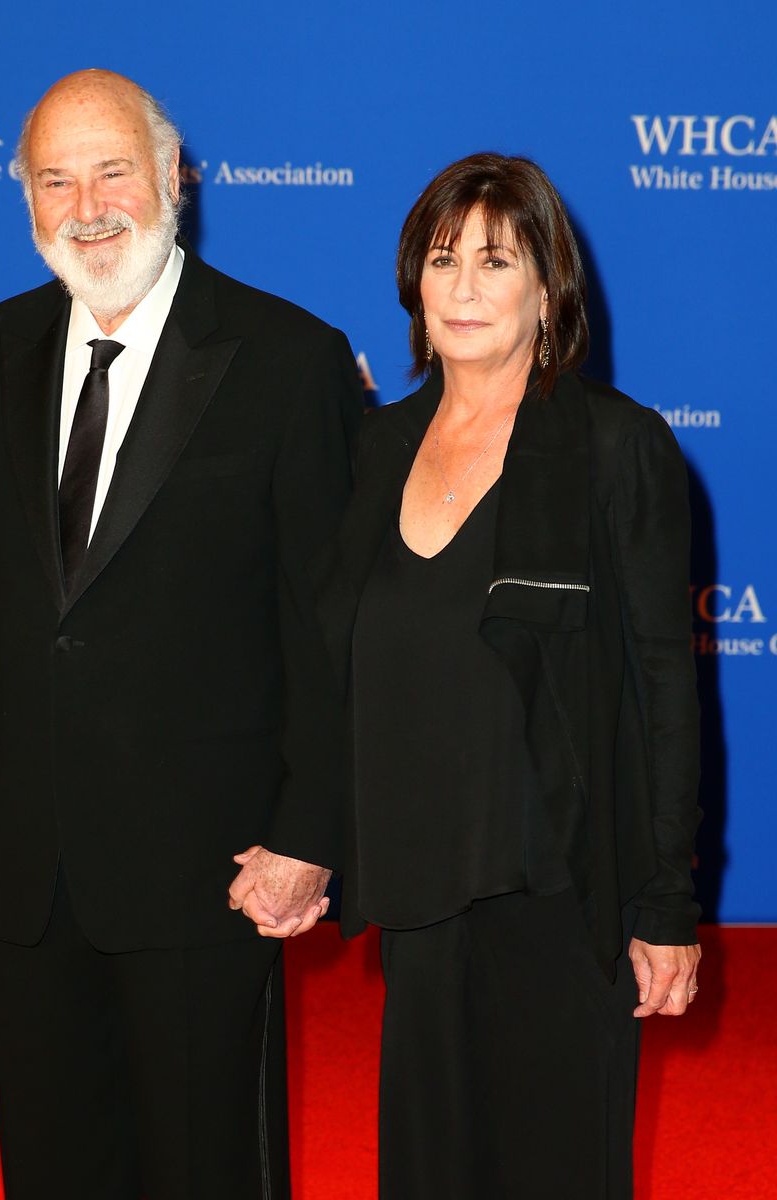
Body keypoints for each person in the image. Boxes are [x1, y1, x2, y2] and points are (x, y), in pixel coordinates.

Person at [0, 68, 360, 1200]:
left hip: (210, 873)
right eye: (54, 178)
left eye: (111, 171)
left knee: (207, 1168)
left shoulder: (289, 359)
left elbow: (329, 632)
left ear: (173, 181)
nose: (86, 204)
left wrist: (309, 833)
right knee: (50, 1164)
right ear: (26, 199)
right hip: (27, 870)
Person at [310, 154, 702, 1198]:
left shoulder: (617, 449)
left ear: (548, 291)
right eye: (443, 261)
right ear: (413, 284)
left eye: (497, 260)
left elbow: (668, 688)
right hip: (420, 897)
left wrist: (668, 902)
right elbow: (333, 664)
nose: (466, 288)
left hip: (562, 897)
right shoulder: (376, 448)